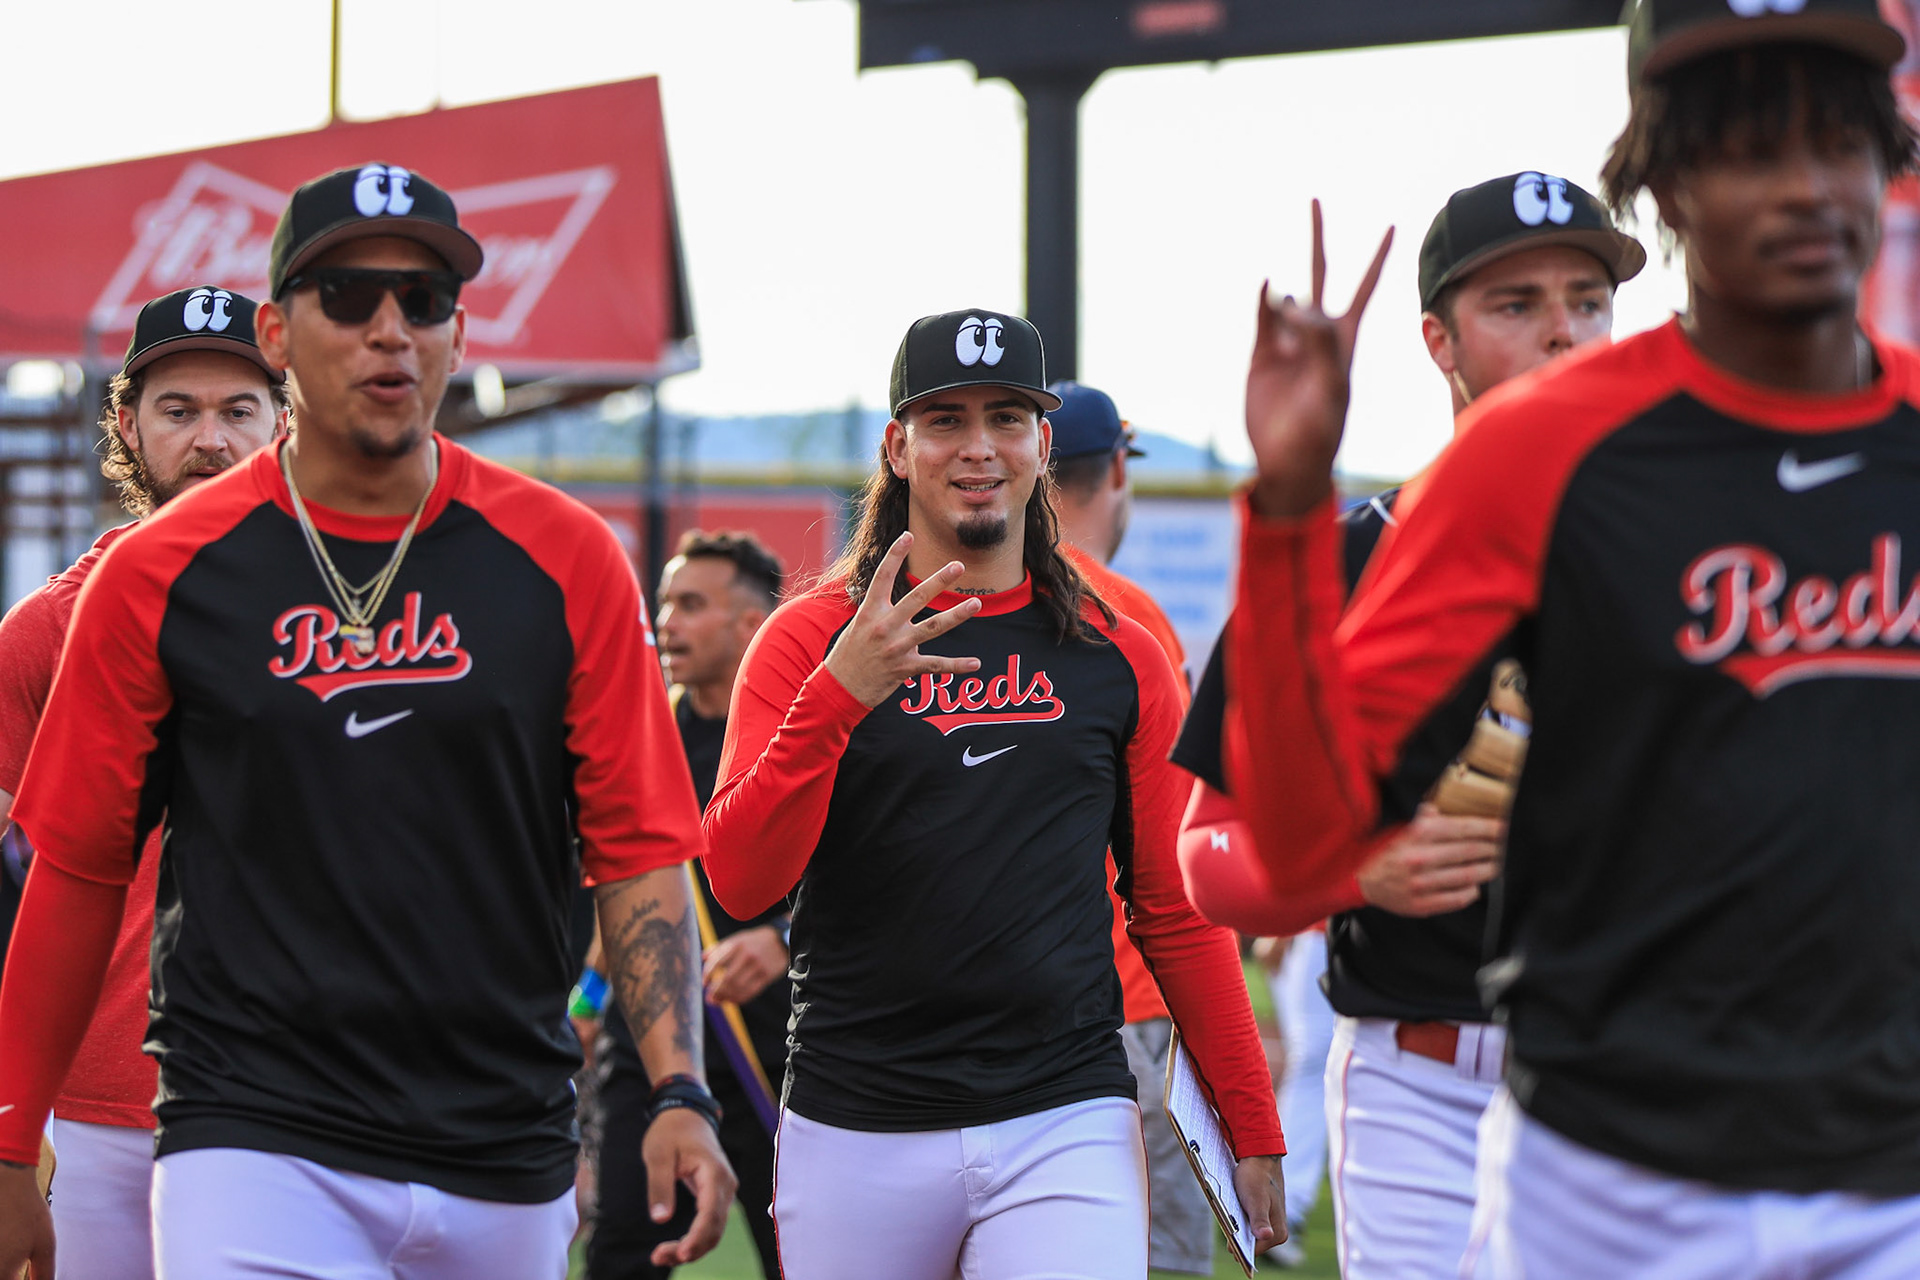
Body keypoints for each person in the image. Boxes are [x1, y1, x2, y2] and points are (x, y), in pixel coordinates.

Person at [1223, 1, 1920, 1275]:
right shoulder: (1539, 450)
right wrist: (1285, 514)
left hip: (1892, 1166)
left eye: (1838, 139)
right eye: (1748, 147)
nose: (1807, 186)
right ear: (1660, 175)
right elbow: (1305, 830)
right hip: (1611, 1171)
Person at [0, 162, 732, 1280]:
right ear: (280, 332)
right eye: (346, 294)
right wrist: (11, 1142)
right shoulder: (154, 578)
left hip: (500, 1134)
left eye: (422, 298)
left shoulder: (566, 558)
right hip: (252, 1129)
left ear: (458, 330)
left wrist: (678, 1083)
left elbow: (639, 851)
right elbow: (77, 871)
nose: (389, 327)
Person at [702, 309, 1285, 1280]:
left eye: (1007, 417)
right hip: (857, 1116)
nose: (979, 447)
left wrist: (1252, 1120)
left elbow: (1176, 910)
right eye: (946, 420)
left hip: (1063, 1109)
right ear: (898, 447)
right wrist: (839, 696)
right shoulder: (808, 639)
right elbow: (738, 877)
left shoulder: (1119, 651)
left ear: (1043, 443)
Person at [1173, 170, 1644, 1277]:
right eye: (1515, 305)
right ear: (1439, 339)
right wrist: (1351, 869)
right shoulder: (1338, 553)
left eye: (1587, 297)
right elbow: (1206, 853)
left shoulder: (1683, 542)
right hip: (1418, 1074)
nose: (1564, 332)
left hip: (1624, 1056)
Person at [0, 286, 288, 1280]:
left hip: (298, 1096)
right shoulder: (47, 628)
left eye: (238, 409)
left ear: (284, 419)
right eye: (179, 409)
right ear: (129, 423)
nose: (211, 438)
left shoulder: (366, 620)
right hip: (91, 1110)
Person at [1044, 379, 1214, 1276]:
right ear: (1116, 468)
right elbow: (1177, 835)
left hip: (1020, 1011)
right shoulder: (1128, 614)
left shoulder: (973, 601)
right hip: (1135, 1001)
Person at [588, 529, 788, 1280]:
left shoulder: (801, 738)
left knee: (804, 1260)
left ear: (750, 624)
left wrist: (783, 941)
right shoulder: (644, 735)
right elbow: (629, 882)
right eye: (666, 601)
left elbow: (874, 884)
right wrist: (589, 995)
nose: (666, 619)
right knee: (620, 1261)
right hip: (646, 1048)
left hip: (775, 1058)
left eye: (691, 604)